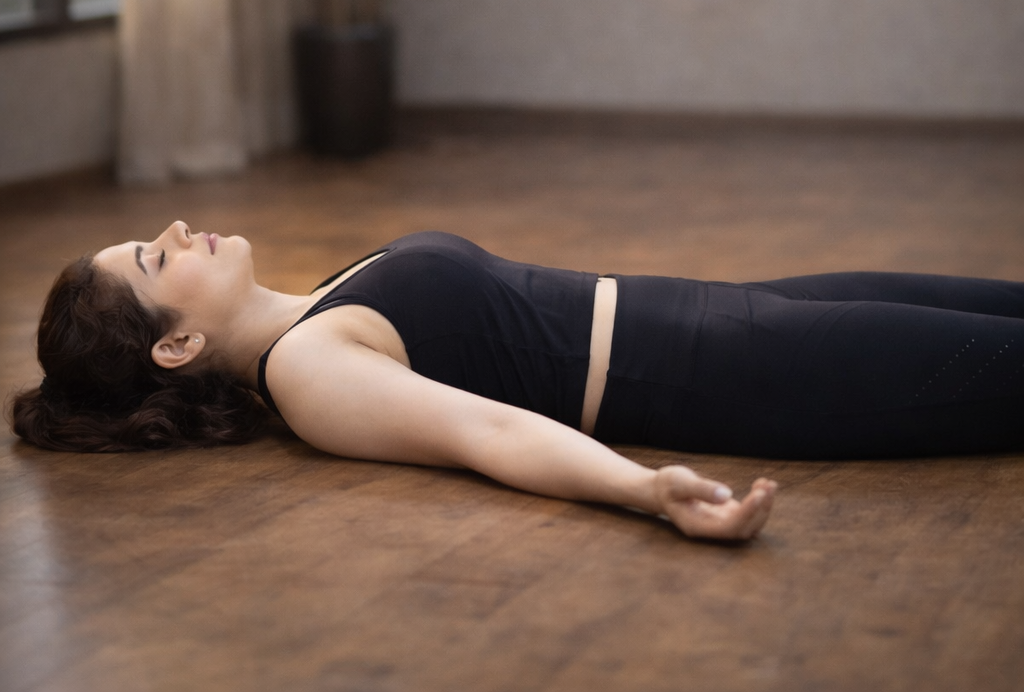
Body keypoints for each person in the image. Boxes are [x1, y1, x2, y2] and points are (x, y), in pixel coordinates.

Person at [11, 224, 1024, 544]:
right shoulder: (309, 371)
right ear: (175, 347)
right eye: (155, 258)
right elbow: (488, 432)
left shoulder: (315, 308)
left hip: (753, 306)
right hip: (758, 370)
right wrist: (644, 492)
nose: (178, 232)